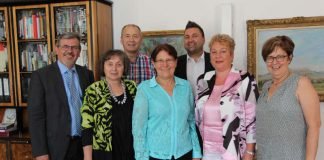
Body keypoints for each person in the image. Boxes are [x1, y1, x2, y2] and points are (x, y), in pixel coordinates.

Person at [28, 32, 94, 160]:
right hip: (56, 149)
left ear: (79, 51)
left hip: (84, 146)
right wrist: (41, 153)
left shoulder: (87, 74)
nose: (70, 51)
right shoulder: (41, 76)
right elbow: (36, 118)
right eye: (65, 46)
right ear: (56, 49)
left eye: (74, 47)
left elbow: (92, 111)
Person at [132, 44, 202, 160]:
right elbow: (139, 128)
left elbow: (191, 121)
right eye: (160, 60)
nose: (165, 65)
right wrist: (141, 158)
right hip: (155, 156)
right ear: (153, 63)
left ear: (175, 62)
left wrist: (196, 153)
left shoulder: (185, 86)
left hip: (185, 153)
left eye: (169, 60)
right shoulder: (144, 89)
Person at [256, 35, 321, 160]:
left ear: (289, 58)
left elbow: (314, 126)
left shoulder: (301, 83)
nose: (274, 62)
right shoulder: (265, 87)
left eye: (280, 57)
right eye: (270, 58)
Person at [195, 34, 258, 160]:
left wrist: (250, 152)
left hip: (233, 149)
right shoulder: (203, 80)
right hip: (207, 151)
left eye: (223, 51)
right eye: (214, 52)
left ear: (232, 55)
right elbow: (197, 117)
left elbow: (253, 120)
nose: (218, 56)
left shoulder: (245, 79)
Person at [81, 49, 137, 160]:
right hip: (104, 153)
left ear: (124, 67)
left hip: (132, 149)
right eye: (110, 64)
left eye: (119, 64)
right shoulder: (93, 90)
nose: (114, 69)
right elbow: (87, 127)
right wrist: (87, 157)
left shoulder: (132, 87)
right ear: (103, 66)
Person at [174, 21, 213, 96]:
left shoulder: (214, 60)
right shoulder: (176, 63)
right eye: (187, 37)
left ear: (203, 39)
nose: (190, 40)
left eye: (194, 36)